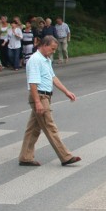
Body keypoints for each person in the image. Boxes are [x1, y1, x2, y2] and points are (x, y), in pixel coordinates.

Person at [18, 36, 81, 166]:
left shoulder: (45, 59)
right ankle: (65, 156)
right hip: (40, 97)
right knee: (50, 126)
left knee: (33, 129)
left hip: (45, 96)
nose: (53, 51)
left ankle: (25, 156)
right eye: (52, 49)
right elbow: (33, 83)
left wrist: (66, 92)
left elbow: (53, 77)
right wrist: (37, 102)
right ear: (44, 45)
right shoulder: (35, 60)